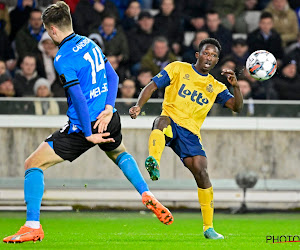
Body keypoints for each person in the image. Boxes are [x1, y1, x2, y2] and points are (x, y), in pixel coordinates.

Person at [3, 1, 173, 244]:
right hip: (109, 116)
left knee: (33, 164)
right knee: (119, 153)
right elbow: (113, 76)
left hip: (85, 124)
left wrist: (86, 133)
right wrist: (109, 107)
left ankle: (32, 226)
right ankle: (146, 192)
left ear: (52, 30)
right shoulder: (90, 43)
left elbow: (79, 98)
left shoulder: (62, 58)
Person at [129, 38, 243, 240]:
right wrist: (139, 105)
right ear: (198, 55)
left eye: (214, 55)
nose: (209, 57)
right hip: (171, 122)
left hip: (190, 134)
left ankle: (208, 228)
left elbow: (236, 107)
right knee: (160, 122)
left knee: (202, 172)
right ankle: (153, 160)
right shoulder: (177, 68)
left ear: (217, 61)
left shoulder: (215, 86)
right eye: (206, 53)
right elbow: (152, 85)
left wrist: (236, 86)